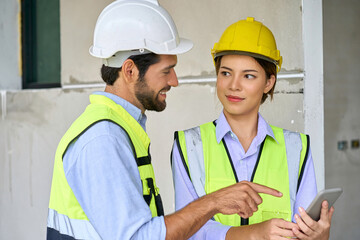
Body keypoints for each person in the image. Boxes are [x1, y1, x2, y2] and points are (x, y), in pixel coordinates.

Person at [46, 2, 283, 240]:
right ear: (130, 71)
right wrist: (214, 202)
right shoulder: (103, 140)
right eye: (166, 70)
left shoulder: (120, 130)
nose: (174, 80)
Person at [172, 17, 334, 240]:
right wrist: (254, 233)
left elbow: (303, 230)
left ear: (269, 82)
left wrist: (319, 237)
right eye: (226, 73)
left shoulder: (296, 147)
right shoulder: (189, 144)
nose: (233, 85)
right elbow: (185, 232)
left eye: (248, 75)